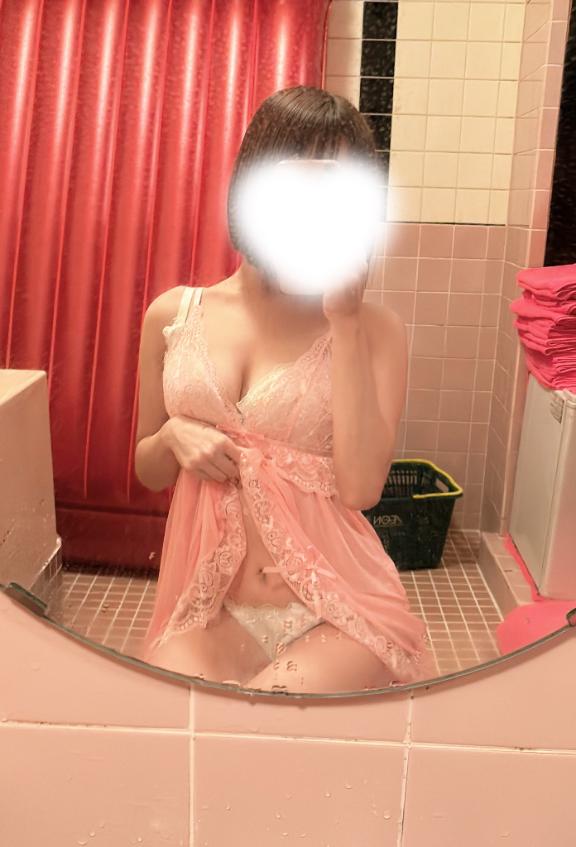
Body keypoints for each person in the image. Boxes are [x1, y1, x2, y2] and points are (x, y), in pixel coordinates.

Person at [134, 85, 436, 693]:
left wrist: (344, 322)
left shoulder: (375, 330)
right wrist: (171, 436)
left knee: (270, 722)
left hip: (339, 612)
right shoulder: (172, 314)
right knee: (181, 716)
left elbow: (361, 488)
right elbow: (147, 469)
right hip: (212, 609)